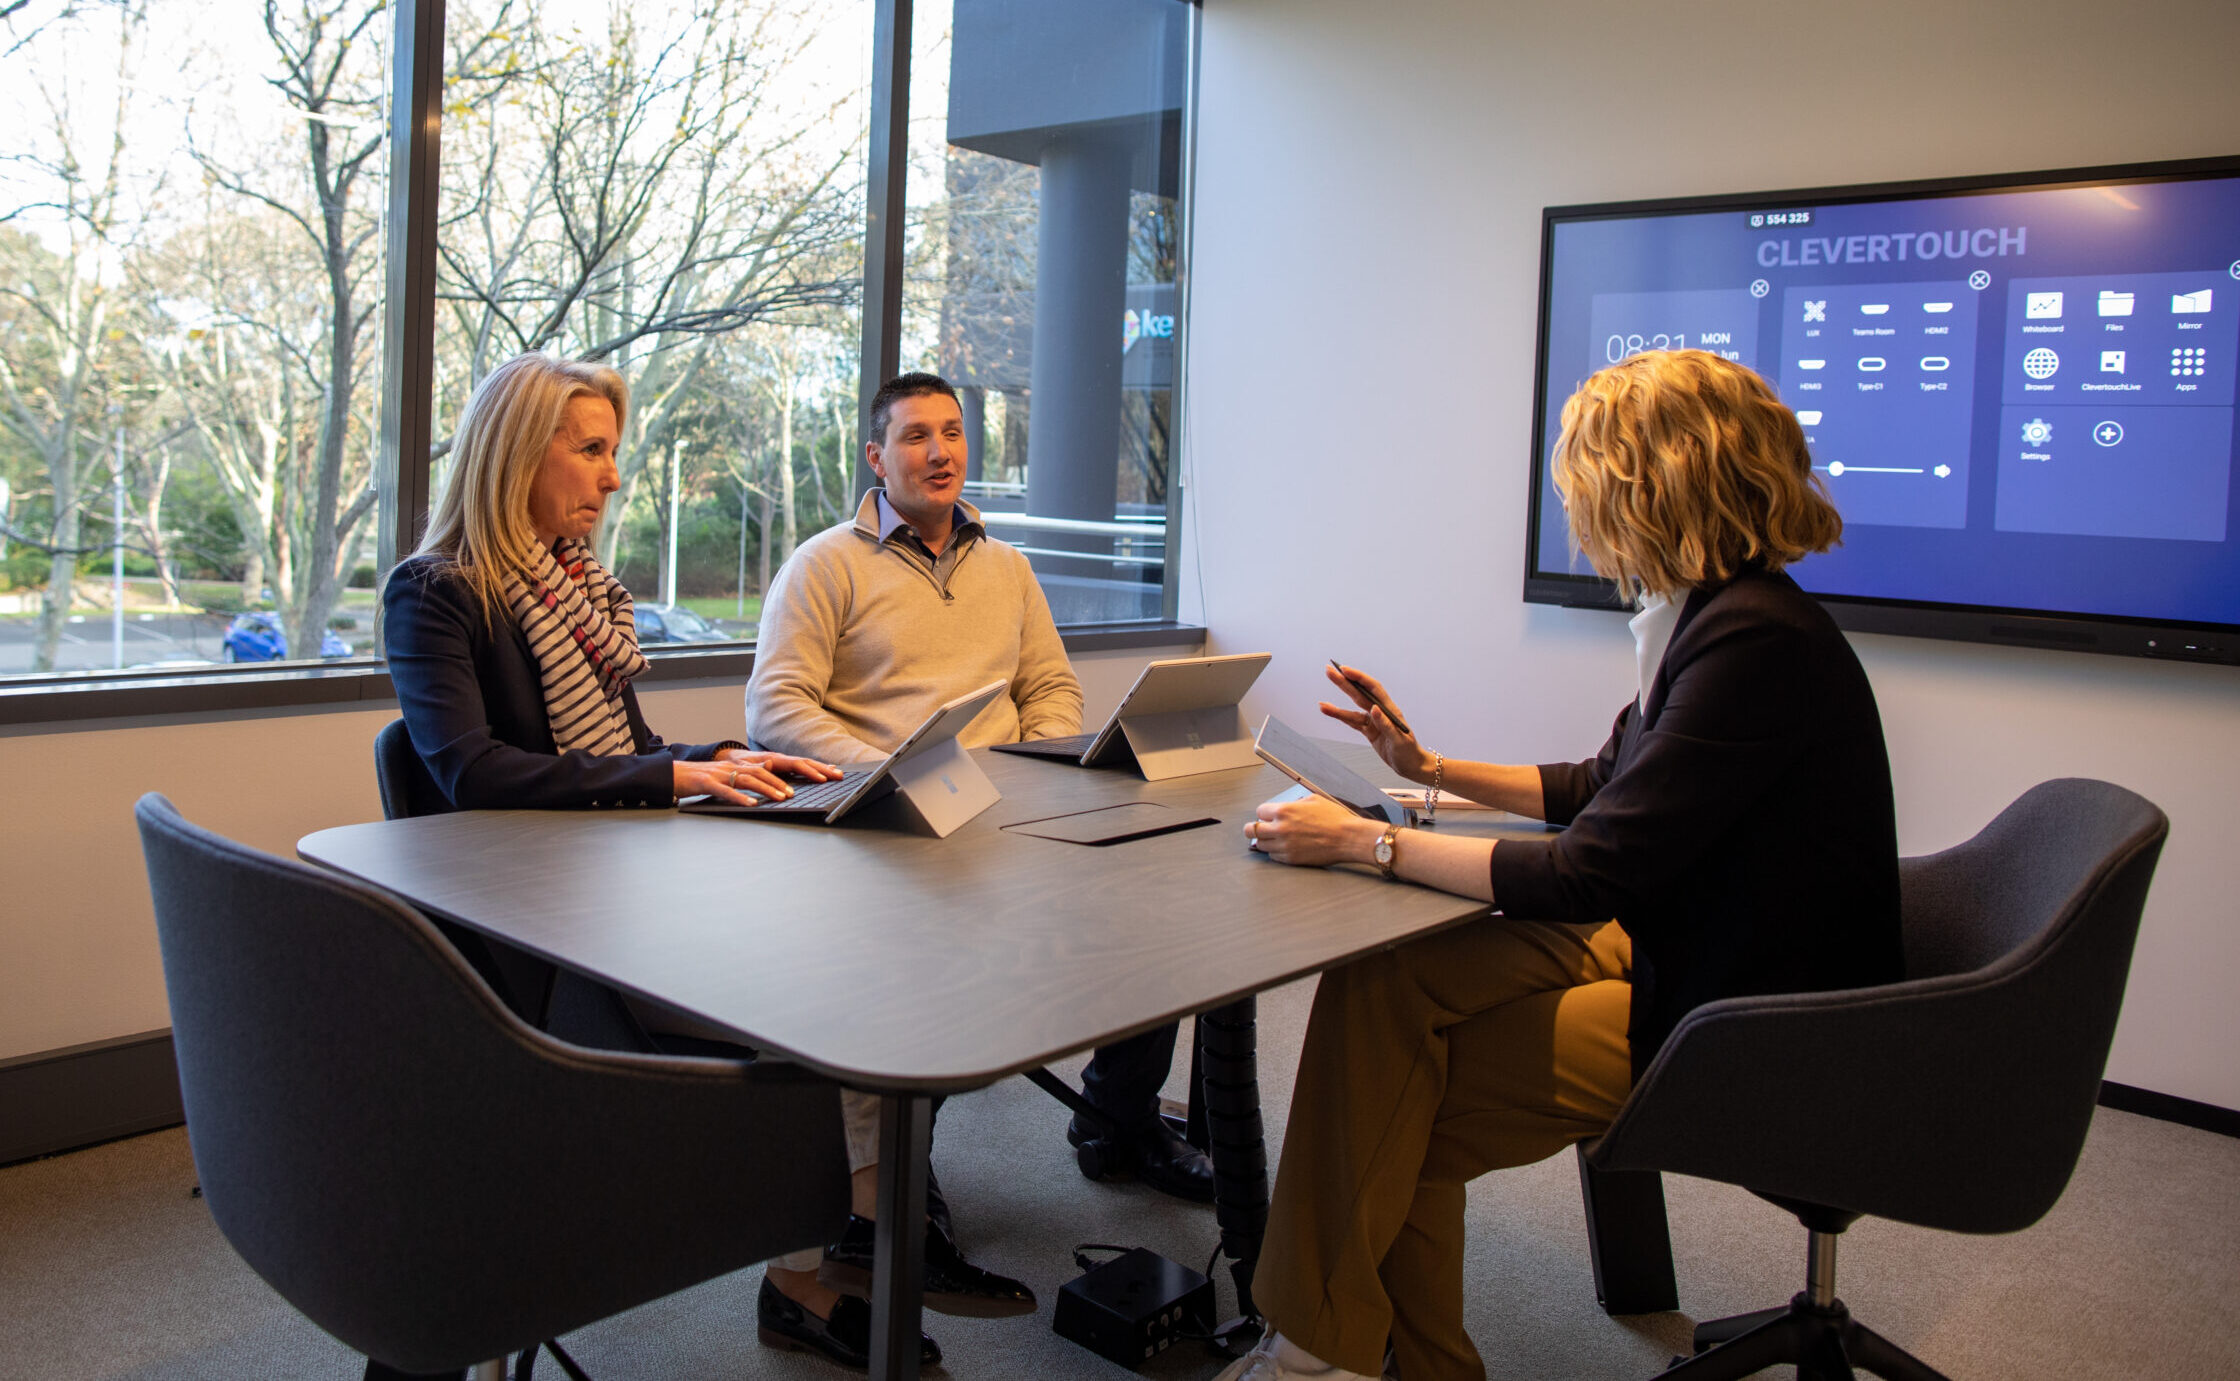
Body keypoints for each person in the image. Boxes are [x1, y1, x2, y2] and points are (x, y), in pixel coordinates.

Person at [1220, 349, 1905, 1381]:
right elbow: (1599, 783)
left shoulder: (1754, 644)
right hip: (1690, 948)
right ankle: (1351, 1352)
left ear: (1648, 484)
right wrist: (1426, 767)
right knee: (1382, 980)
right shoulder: (1718, 616)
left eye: (1586, 485)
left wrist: (1365, 841)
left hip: (1746, 1022)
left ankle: (1321, 1356)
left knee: (1401, 1107)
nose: (1578, 518)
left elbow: (1585, 874)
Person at [380, 352, 943, 1373]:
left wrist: (718, 757)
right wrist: (671, 777)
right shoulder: (436, 592)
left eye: (613, 452)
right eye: (591, 451)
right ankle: (834, 1240)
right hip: (542, 943)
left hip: (617, 891)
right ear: (517, 454)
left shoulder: (577, 589)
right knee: (811, 1009)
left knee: (843, 979)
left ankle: (822, 1253)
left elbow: (626, 750)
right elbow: (472, 770)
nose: (611, 477)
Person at [746, 372, 1215, 1311]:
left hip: (1008, 811)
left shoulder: (1007, 567)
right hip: (890, 825)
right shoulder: (824, 564)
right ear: (877, 458)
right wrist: (901, 769)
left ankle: (1116, 1121)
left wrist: (1029, 768)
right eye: (916, 435)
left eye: (953, 432)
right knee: (905, 971)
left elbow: (1053, 690)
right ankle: (888, 1200)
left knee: (1156, 905)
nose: (941, 452)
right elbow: (776, 709)